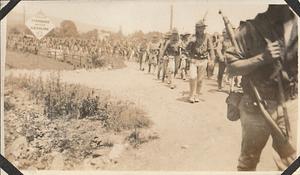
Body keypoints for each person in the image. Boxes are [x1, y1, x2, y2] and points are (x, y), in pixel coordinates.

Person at [225, 5, 298, 171]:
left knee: (290, 162)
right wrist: (262, 58)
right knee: (248, 162)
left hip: (292, 103)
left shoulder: (296, 26)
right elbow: (231, 68)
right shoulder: (251, 28)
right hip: (257, 105)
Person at [186, 20, 215, 103]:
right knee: (192, 77)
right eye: (199, 28)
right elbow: (186, 49)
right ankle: (191, 95)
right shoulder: (193, 37)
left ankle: (197, 95)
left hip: (203, 59)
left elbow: (211, 49)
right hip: (194, 59)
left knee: (200, 79)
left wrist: (212, 60)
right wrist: (190, 42)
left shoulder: (208, 37)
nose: (201, 29)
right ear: (196, 28)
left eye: (202, 28)